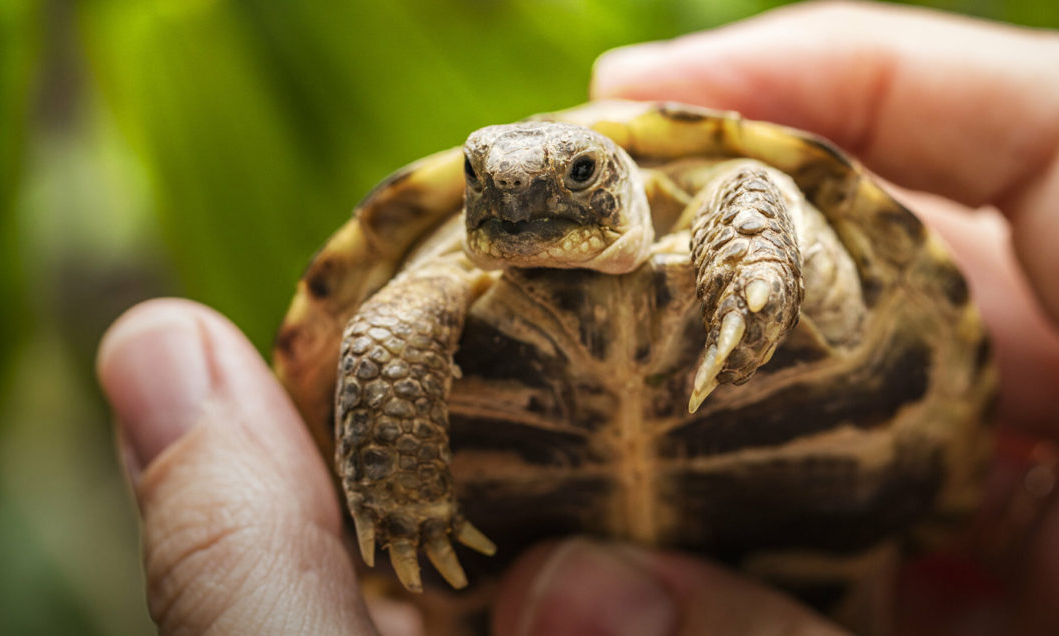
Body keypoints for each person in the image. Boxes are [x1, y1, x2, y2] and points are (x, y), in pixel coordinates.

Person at [97, 3, 1059, 634]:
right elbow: (380, 333)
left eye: (578, 175)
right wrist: (396, 493)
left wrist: (757, 256)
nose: (520, 201)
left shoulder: (729, 194)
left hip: (843, 544)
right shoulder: (435, 289)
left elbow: (801, 231)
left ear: (624, 180)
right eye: (489, 184)